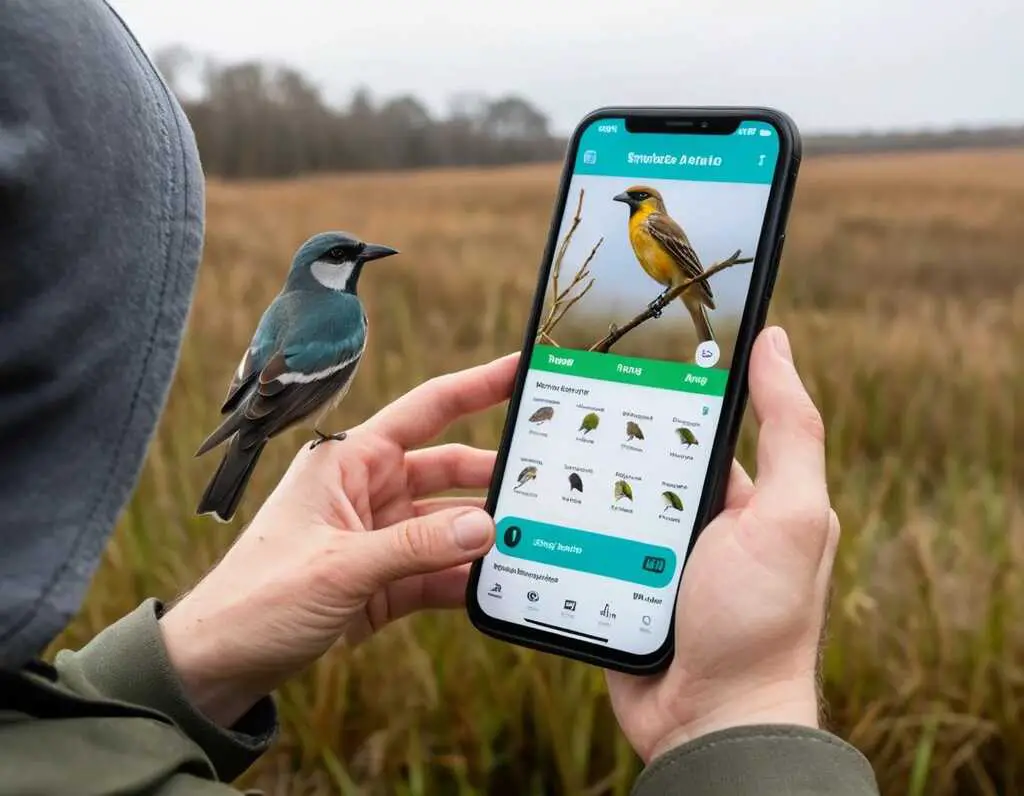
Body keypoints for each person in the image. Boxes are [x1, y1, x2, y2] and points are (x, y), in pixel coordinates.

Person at [0, 1, 880, 794]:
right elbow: (286, 381)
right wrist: (743, 712)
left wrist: (186, 665)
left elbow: (259, 372)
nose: (362, 260)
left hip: (258, 411)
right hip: (283, 407)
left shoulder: (288, 308)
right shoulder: (340, 318)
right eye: (348, 255)